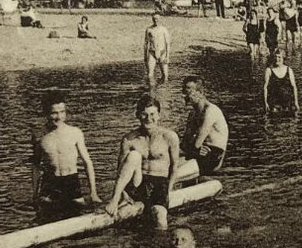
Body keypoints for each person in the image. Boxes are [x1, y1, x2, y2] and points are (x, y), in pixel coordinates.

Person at [108, 93, 180, 229]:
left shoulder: (169, 137)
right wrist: (123, 194)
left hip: (159, 183)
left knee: (160, 217)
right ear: (137, 115)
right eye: (144, 114)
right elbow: (121, 171)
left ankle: (158, 247)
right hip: (138, 183)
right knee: (134, 156)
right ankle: (115, 199)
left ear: (159, 115)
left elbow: (174, 168)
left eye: (152, 114)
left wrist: (168, 193)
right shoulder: (129, 139)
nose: (149, 119)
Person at [32, 95, 100, 219]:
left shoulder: (75, 132)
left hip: (71, 181)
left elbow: (87, 162)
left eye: (62, 112)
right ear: (46, 113)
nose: (59, 117)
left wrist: (93, 192)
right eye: (54, 113)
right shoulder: (38, 135)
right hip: (50, 181)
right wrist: (34, 194)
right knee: (45, 216)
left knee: (77, 214)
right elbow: (36, 166)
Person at [176, 75, 228, 179]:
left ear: (201, 93)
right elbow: (184, 145)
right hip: (198, 153)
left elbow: (196, 144)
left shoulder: (211, 111)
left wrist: (193, 148)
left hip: (212, 156)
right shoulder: (192, 114)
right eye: (183, 91)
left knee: (171, 174)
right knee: (163, 167)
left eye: (188, 92)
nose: (184, 95)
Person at [263, 48, 300, 114]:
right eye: (276, 57)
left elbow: (294, 87)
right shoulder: (269, 70)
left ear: (283, 58)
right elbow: (265, 87)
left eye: (279, 57)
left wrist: (296, 102)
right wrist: (265, 102)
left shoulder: (289, 70)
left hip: (287, 101)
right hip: (274, 102)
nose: (277, 59)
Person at [144, 12, 171, 88]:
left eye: (157, 19)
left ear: (160, 19)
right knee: (150, 74)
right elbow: (146, 44)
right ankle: (152, 91)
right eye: (154, 19)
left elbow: (167, 44)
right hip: (152, 52)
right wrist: (145, 56)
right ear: (152, 19)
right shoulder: (149, 29)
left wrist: (167, 57)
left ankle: (163, 90)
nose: (156, 20)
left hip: (162, 52)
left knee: (165, 75)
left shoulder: (164, 29)